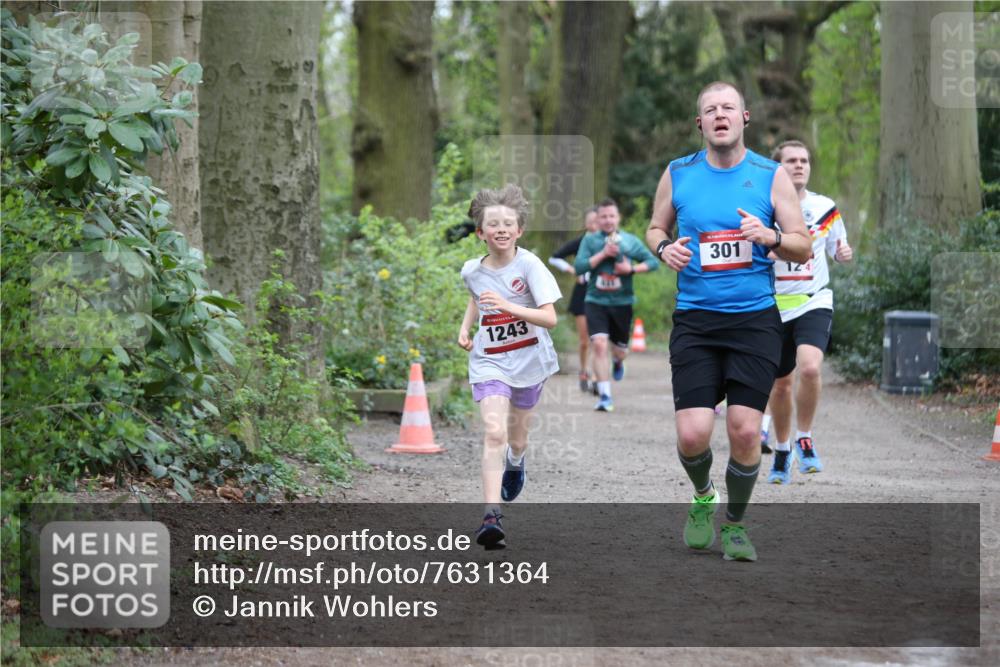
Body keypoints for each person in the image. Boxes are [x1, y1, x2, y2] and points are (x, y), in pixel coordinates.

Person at [646, 81, 812, 562]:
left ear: (745, 118)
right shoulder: (678, 174)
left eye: (729, 108)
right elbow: (656, 226)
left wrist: (771, 235)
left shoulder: (770, 175)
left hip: (754, 321)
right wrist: (664, 248)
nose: (720, 115)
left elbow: (803, 243)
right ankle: (703, 498)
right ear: (700, 123)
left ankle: (735, 525)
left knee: (743, 431)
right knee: (694, 433)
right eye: (710, 110)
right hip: (696, 321)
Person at [457, 184, 562, 550]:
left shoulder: (530, 265)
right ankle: (491, 515)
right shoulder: (471, 270)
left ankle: (516, 461)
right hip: (489, 361)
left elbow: (550, 318)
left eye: (508, 223)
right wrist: (466, 327)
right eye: (493, 224)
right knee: (493, 433)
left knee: (515, 439)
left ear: (519, 230)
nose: (500, 229)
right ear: (480, 232)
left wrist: (508, 306)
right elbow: (476, 297)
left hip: (529, 362)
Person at [764, 140, 853, 484]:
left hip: (814, 299)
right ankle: (783, 448)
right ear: (778, 168)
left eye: (804, 160)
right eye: (791, 161)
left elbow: (838, 249)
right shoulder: (764, 207)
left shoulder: (825, 207)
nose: (799, 165)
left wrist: (844, 254)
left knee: (811, 368)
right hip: (773, 305)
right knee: (782, 384)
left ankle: (805, 436)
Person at [574, 198, 659, 412]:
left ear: (618, 217)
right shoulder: (591, 241)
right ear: (598, 219)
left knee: (619, 350)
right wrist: (603, 254)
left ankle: (619, 361)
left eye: (611, 216)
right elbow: (579, 266)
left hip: (622, 302)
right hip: (595, 301)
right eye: (603, 216)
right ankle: (605, 396)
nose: (608, 220)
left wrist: (630, 270)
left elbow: (653, 262)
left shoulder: (629, 241)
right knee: (600, 344)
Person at [548, 206, 600, 393]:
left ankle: (597, 376)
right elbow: (554, 258)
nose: (594, 225)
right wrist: (572, 270)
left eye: (597, 221)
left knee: (599, 338)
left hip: (602, 293)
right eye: (591, 221)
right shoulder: (580, 242)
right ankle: (584, 371)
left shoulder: (608, 243)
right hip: (582, 292)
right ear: (586, 223)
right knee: (585, 339)